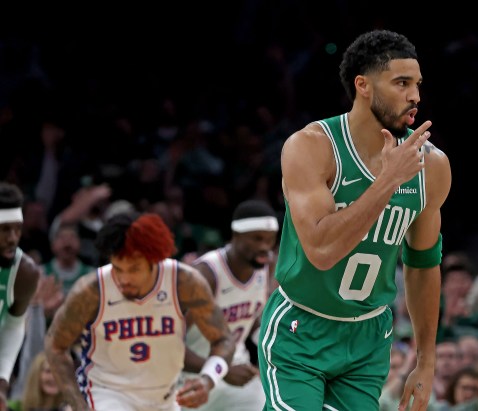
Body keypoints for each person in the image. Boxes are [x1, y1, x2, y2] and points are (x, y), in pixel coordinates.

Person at [257, 29, 451, 411]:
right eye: (401, 83)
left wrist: (426, 360)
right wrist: (388, 180)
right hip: (301, 328)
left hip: (369, 336)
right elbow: (322, 251)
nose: (415, 96)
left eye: (417, 84)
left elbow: (423, 264)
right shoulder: (311, 146)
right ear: (363, 85)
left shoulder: (432, 165)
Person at [44, 212, 236, 411]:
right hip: (107, 393)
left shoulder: (183, 282)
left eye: (134, 269)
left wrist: (208, 379)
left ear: (154, 261)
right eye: (118, 268)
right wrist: (78, 404)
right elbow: (55, 345)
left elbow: (223, 339)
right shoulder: (92, 290)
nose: (124, 279)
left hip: (165, 397)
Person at [181, 199, 279, 411]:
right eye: (257, 239)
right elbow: (171, 343)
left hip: (235, 371)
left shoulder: (265, 267)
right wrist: (222, 370)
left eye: (270, 240)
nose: (265, 247)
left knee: (267, 403)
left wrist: (276, 345)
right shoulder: (205, 275)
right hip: (191, 377)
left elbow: (250, 320)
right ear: (236, 236)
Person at [0, 182, 41, 411]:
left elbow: (13, 327)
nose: (13, 238)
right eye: (4, 229)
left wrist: (3, 379)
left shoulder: (24, 272)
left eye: (17, 229)